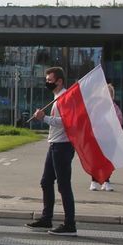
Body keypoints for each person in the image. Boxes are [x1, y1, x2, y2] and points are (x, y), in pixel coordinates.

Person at [27, 66, 76, 235]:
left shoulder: (65, 97)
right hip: (55, 144)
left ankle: (70, 224)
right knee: (46, 182)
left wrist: (44, 118)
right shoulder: (57, 96)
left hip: (63, 145)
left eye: (50, 80)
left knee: (63, 185)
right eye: (46, 80)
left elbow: (66, 121)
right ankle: (46, 218)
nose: (47, 83)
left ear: (59, 81)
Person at [89, 83, 123, 191]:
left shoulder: (115, 107)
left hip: (110, 138)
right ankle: (94, 181)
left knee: (108, 161)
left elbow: (120, 120)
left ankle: (106, 181)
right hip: (97, 138)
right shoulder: (96, 106)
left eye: (109, 93)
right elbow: (92, 120)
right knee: (96, 160)